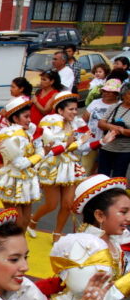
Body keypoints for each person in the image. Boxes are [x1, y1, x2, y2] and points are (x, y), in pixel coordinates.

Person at [30, 91, 116, 241]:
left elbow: (81, 148)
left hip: (70, 167)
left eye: (76, 109)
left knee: (68, 204)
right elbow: (55, 150)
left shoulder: (76, 124)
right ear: (60, 110)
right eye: (71, 109)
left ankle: (57, 234)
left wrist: (102, 141)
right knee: (51, 204)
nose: (75, 112)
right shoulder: (50, 123)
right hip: (52, 166)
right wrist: (77, 142)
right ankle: (33, 221)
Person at [0, 96, 42, 229]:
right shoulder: (9, 135)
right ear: (15, 118)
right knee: (17, 221)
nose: (29, 120)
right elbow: (20, 163)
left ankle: (20, 249)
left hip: (26, 178)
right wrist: (41, 154)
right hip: (11, 179)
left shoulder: (25, 133)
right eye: (26, 116)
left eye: (30, 116)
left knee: (26, 219)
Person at [97, 83, 130, 177]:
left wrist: (122, 131)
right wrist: (114, 128)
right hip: (106, 147)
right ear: (123, 95)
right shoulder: (114, 107)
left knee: (118, 176)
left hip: (124, 150)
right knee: (102, 175)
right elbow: (101, 123)